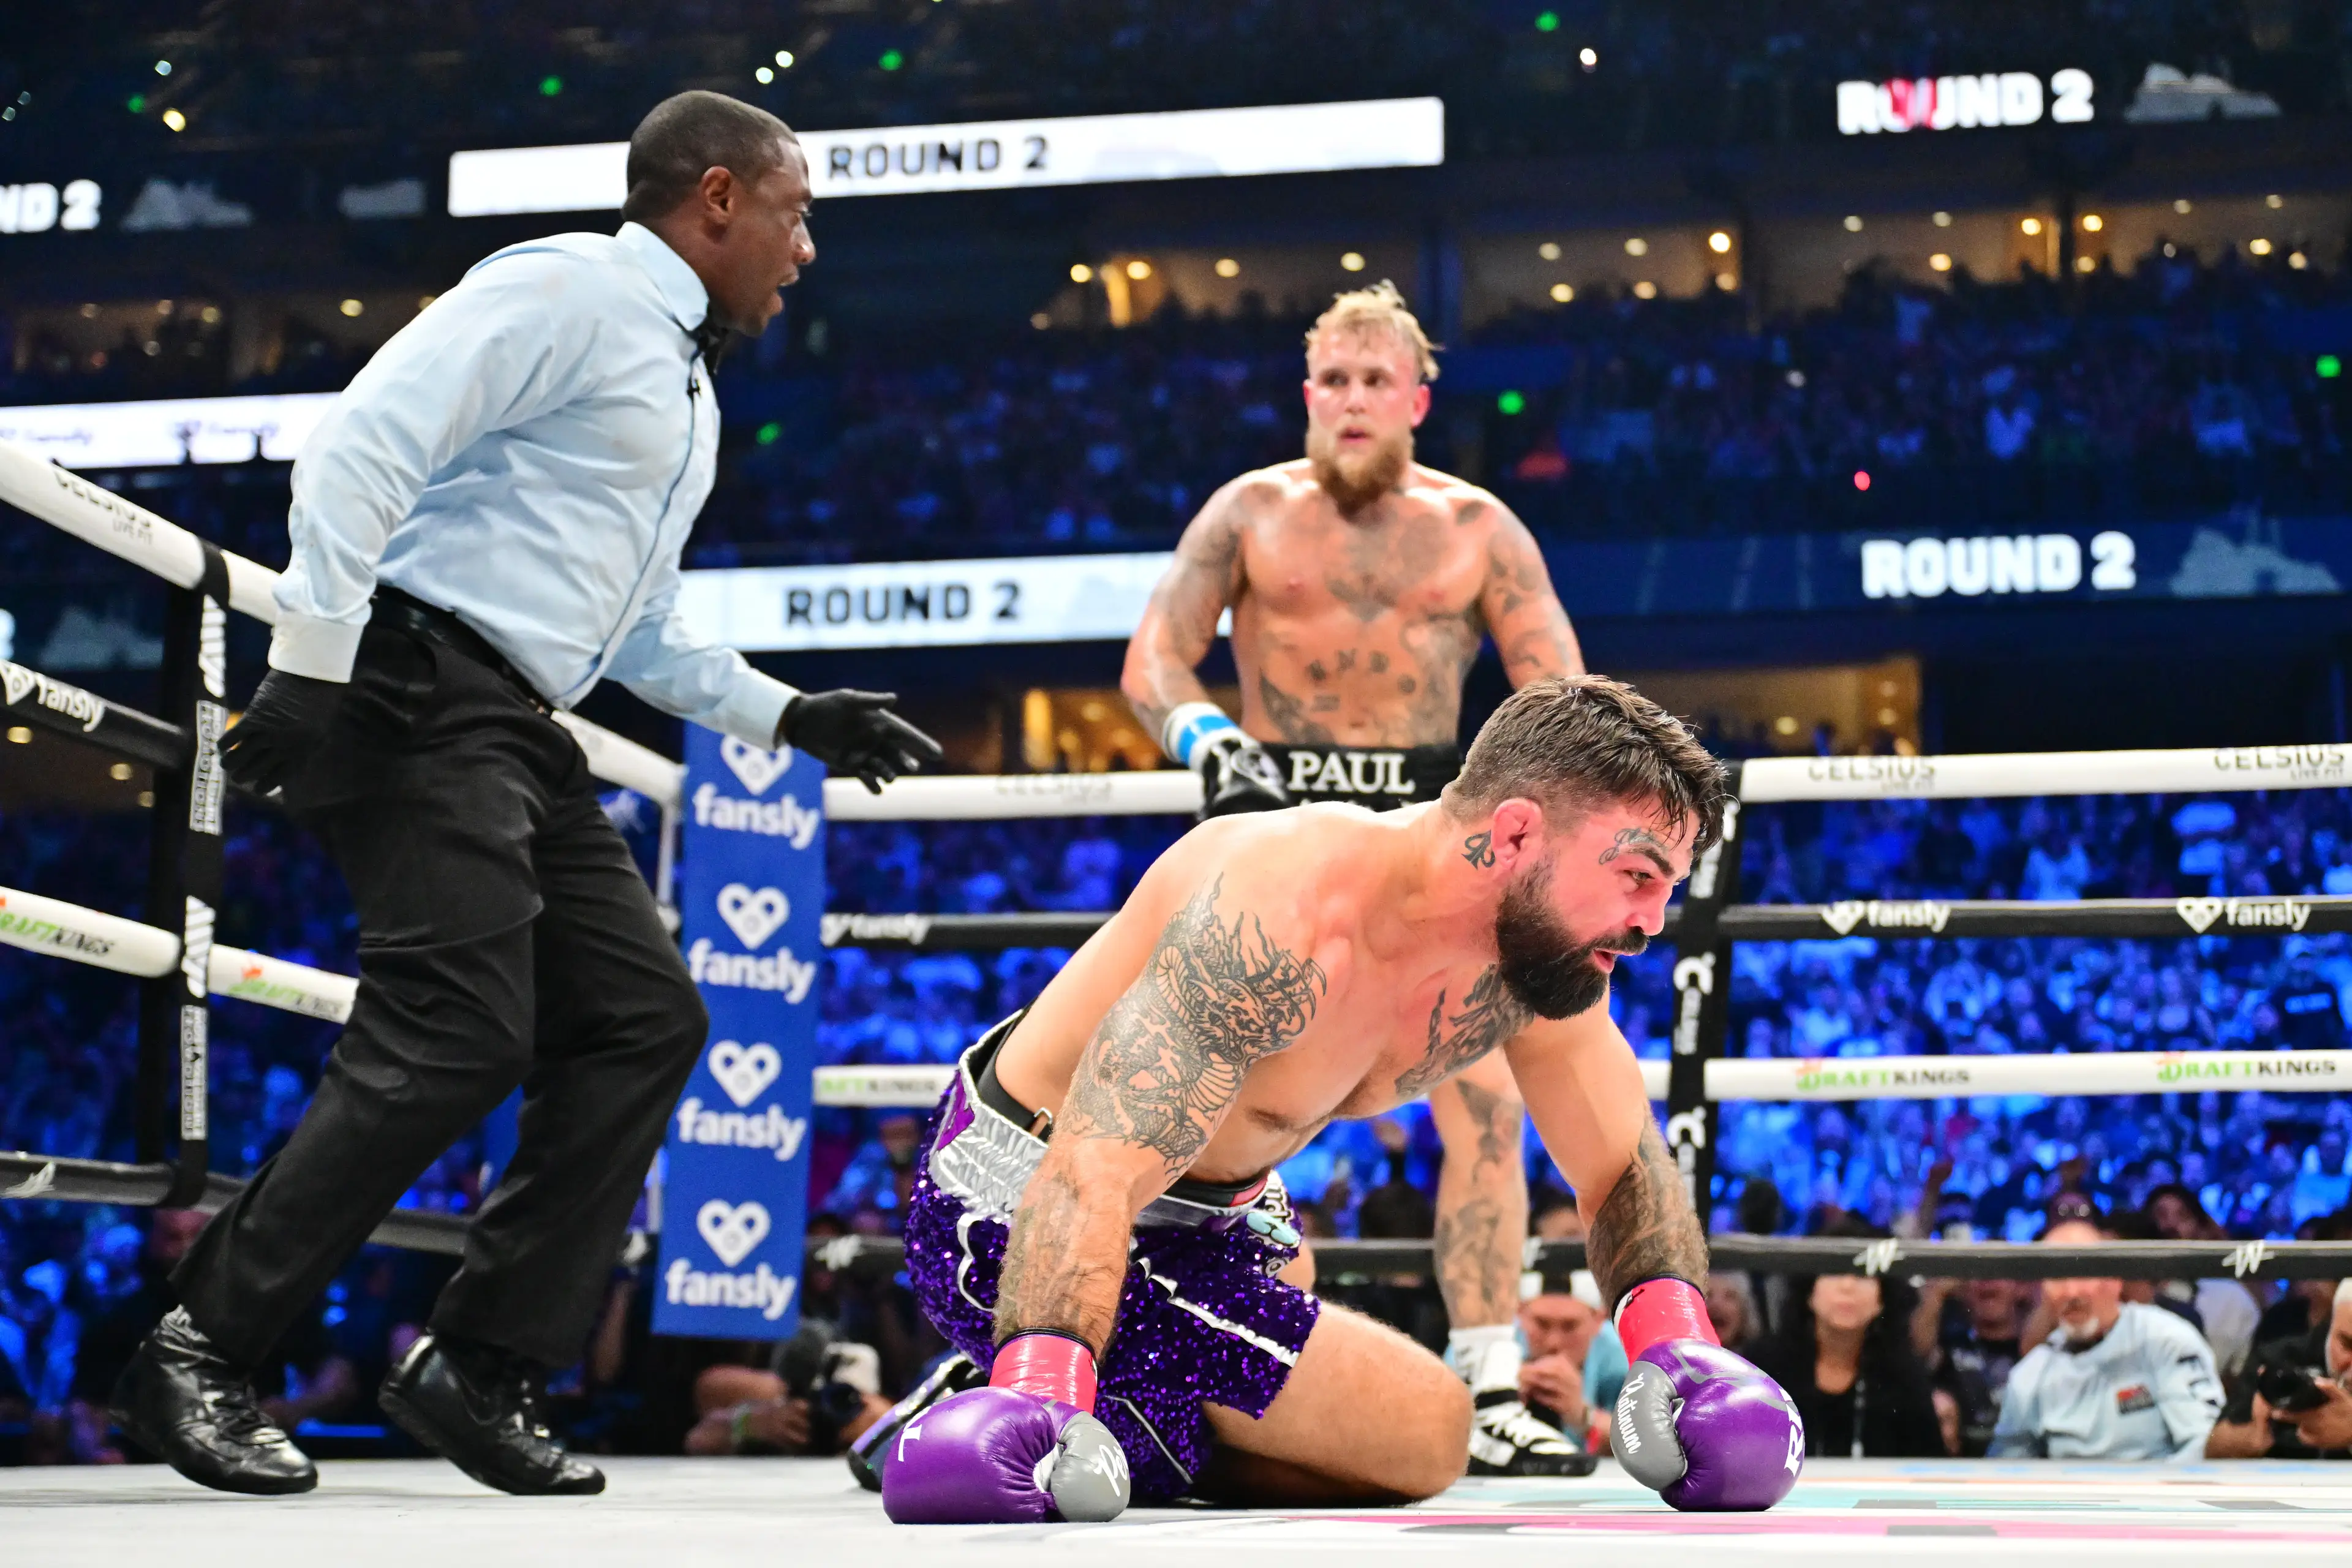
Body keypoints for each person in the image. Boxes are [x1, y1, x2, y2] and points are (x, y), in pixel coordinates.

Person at [111, 90, 945, 1499]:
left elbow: (635, 635)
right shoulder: (566, 287)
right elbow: (361, 442)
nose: (807, 251)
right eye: (796, 215)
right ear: (720, 198)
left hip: (508, 713)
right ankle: (197, 1342)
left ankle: (481, 1361)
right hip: (411, 684)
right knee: (456, 1029)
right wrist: (308, 666)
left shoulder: (687, 385)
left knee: (642, 1015)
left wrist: (788, 710)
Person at [878, 677, 1804, 1522]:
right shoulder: (1281, 906)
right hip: (1021, 1196)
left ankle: (1064, 1405)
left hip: (1222, 1221)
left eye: (1667, 888)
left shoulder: (1538, 964)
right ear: (1517, 833)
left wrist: (1682, 1347)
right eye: (1636, 877)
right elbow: (1094, 1164)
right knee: (1428, 1425)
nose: (1651, 922)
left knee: (1331, 1421)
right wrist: (1041, 1384)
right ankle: (1021, 1384)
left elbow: (1622, 1166)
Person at [1119, 280, 1589, 1476]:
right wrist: (1206, 740)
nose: (1354, 400)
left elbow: (1556, 694)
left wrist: (1517, 833)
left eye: (1377, 379)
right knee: (1191, 1095)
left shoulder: (1480, 526)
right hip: (1277, 828)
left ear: (1419, 397)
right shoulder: (1250, 511)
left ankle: (1488, 1379)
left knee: (1481, 1098)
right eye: (1334, 379)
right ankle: (1117, 1348)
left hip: (1432, 839)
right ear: (1308, 393)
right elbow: (1154, 660)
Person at [1989, 1219, 2223, 1460]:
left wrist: (2151, 1493)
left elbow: (2204, 1443)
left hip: (2161, 1489)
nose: (2072, 1292)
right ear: (2043, 1292)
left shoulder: (2164, 1338)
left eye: (2083, 1274)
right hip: (2072, 1493)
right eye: (2058, 1278)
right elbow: (2004, 1467)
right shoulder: (2030, 1375)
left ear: (2114, 1280)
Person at [1751, 1224, 1945, 1459]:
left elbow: (1927, 1464)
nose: (1847, 1286)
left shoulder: (1904, 1377)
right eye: (1834, 1272)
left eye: (1863, 1275)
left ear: (1883, 1299)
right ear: (1809, 1292)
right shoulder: (1765, 1369)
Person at [2204, 1278, 2352, 1459]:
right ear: (2330, 1326)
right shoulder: (2281, 1359)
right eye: (2348, 1345)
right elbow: (2213, 1448)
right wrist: (2251, 1439)